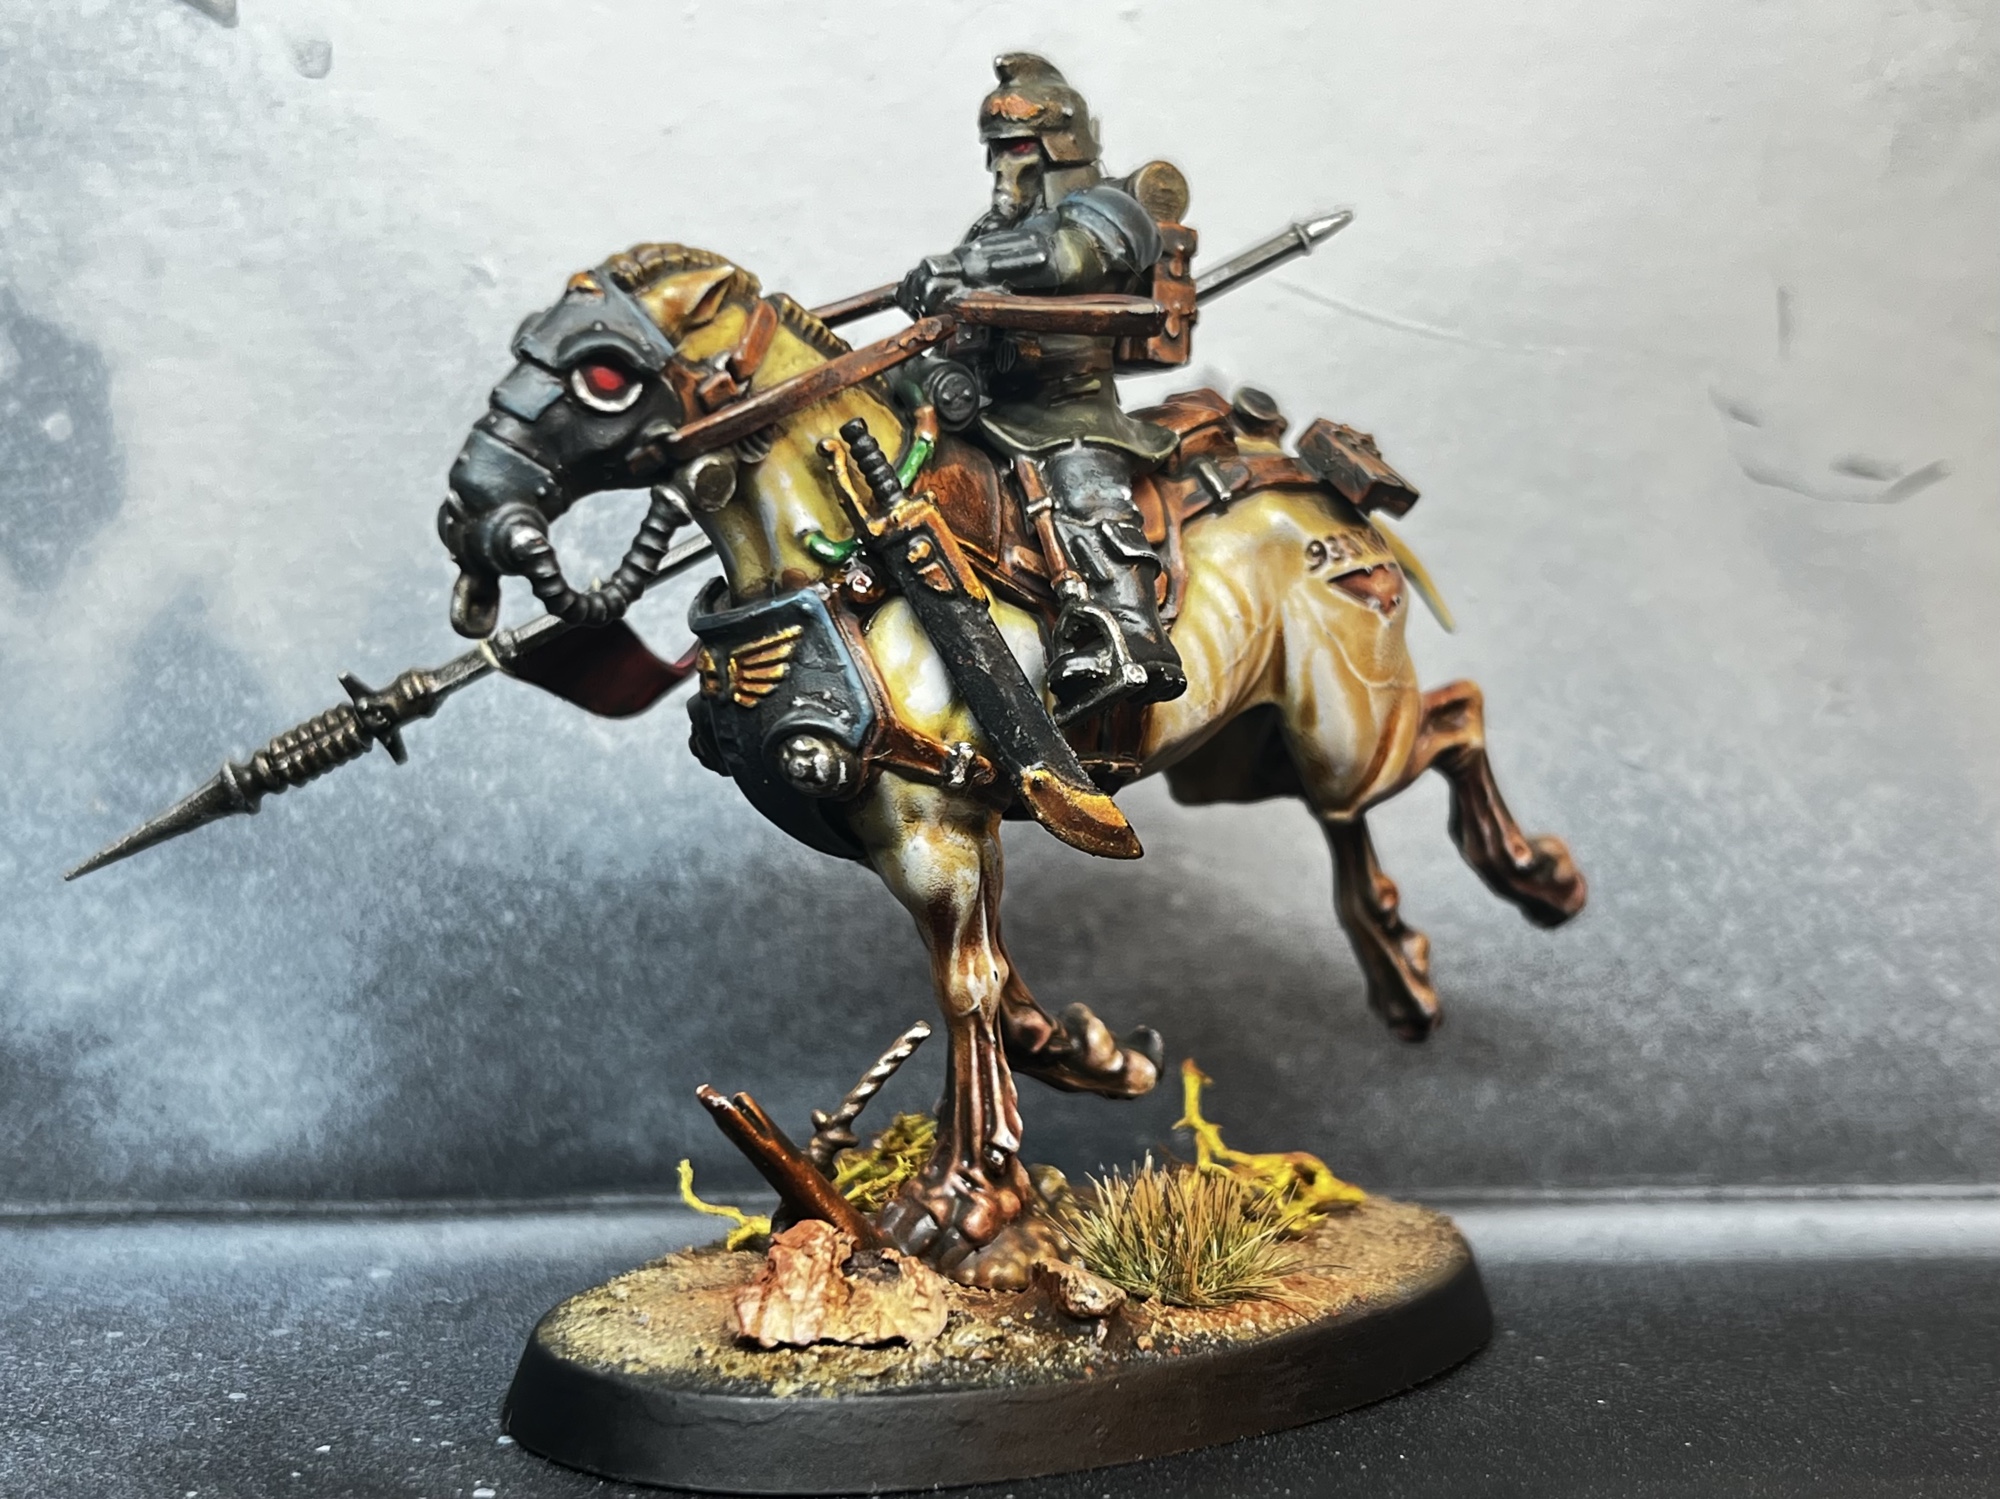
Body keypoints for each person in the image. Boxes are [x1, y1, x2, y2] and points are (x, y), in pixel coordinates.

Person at [896, 53, 1187, 719]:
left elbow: (1072, 255)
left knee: (1083, 486)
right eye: (997, 150)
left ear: (1060, 146)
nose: (1003, 167)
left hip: (1069, 408)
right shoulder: (992, 228)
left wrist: (967, 263)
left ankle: (1131, 633)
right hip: (986, 405)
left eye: (1018, 149)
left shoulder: (1110, 209)